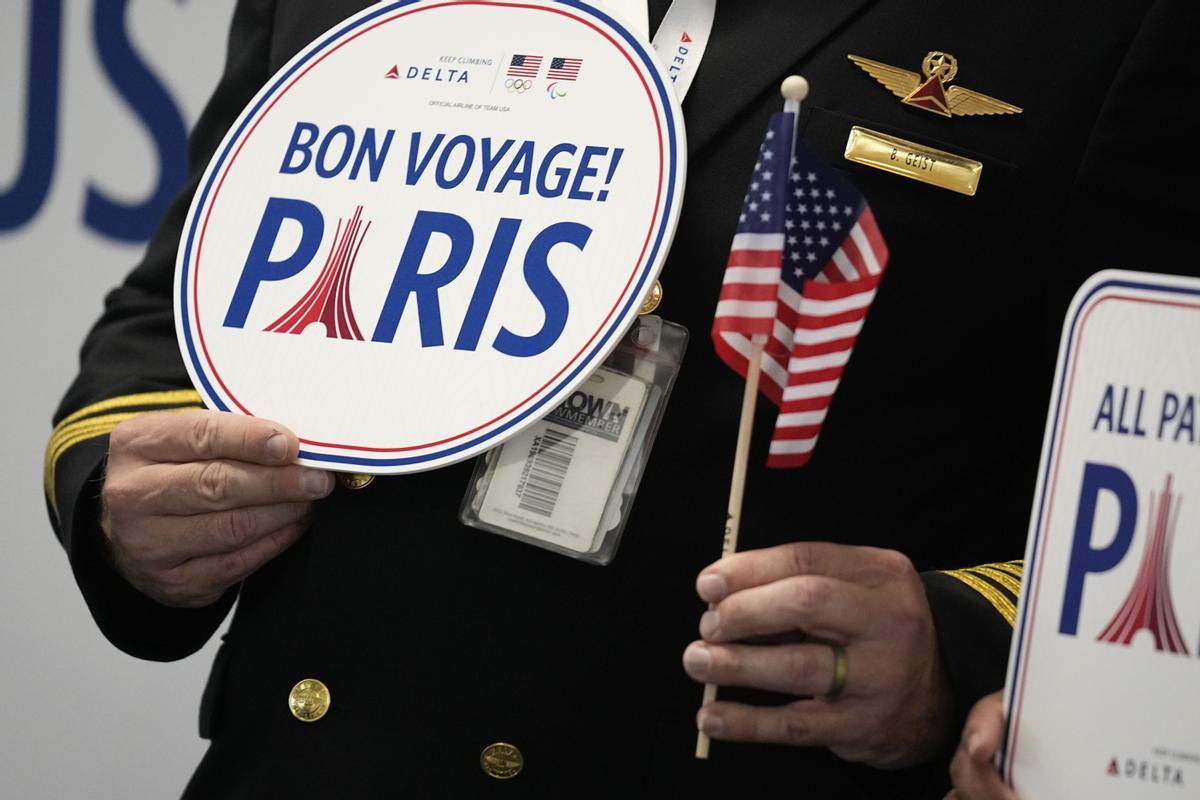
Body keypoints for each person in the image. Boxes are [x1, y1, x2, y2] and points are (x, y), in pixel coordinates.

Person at [43, 0, 1195, 796]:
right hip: (305, 765)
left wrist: (954, 643)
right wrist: (124, 495)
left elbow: (1170, 481)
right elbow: (164, 316)